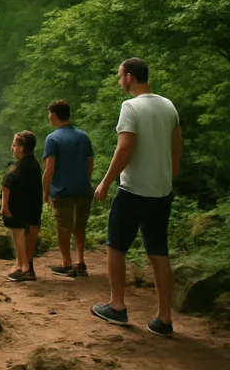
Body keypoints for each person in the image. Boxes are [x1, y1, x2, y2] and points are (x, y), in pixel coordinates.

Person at [91, 58, 181, 337]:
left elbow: (125, 147)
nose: (119, 81)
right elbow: (176, 146)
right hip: (161, 192)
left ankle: (117, 305)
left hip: (132, 190)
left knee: (116, 246)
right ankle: (163, 318)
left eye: (120, 76)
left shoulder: (130, 107)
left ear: (129, 77)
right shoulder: (168, 105)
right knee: (158, 251)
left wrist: (106, 182)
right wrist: (169, 177)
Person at [42, 100, 94, 277]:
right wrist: (83, 179)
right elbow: (89, 163)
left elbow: (49, 169)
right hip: (83, 188)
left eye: (49, 113)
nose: (49, 117)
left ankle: (66, 263)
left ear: (54, 115)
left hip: (62, 191)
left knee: (63, 227)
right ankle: (80, 261)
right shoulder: (83, 136)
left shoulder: (53, 138)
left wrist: (45, 191)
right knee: (80, 226)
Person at [0, 131, 43, 282]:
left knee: (18, 236)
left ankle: (24, 267)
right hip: (33, 207)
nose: (12, 148)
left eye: (13, 145)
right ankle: (26, 266)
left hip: (17, 208)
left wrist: (4, 206)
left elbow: (6, 185)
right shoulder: (34, 164)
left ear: (21, 147)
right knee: (29, 237)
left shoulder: (17, 167)